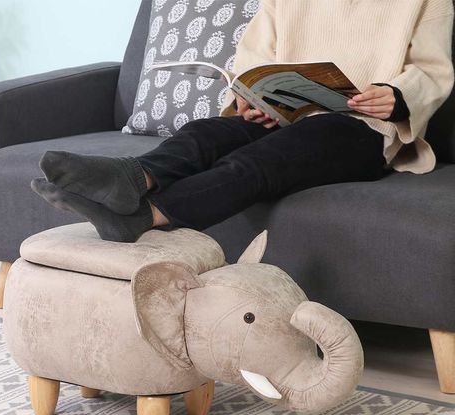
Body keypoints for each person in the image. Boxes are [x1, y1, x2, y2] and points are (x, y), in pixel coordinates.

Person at [31, 0, 454, 243]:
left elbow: (432, 69)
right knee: (206, 134)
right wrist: (250, 100)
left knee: (259, 161)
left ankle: (144, 216)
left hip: (360, 131)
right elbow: (255, 59)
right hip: (287, 117)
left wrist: (398, 96)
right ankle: (132, 178)